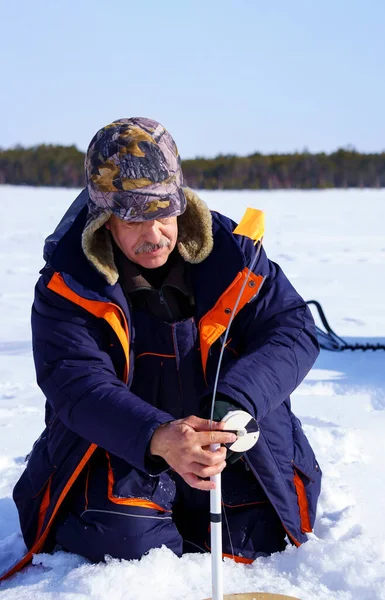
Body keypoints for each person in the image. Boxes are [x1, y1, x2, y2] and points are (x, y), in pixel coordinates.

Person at [5, 117, 321, 576]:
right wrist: (158, 436)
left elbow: (292, 329)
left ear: (180, 202)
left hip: (225, 441)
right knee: (126, 546)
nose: (152, 234)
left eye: (161, 213)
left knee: (261, 537)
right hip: (122, 447)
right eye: (132, 217)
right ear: (104, 218)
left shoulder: (237, 255)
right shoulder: (67, 283)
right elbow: (75, 383)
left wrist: (237, 403)